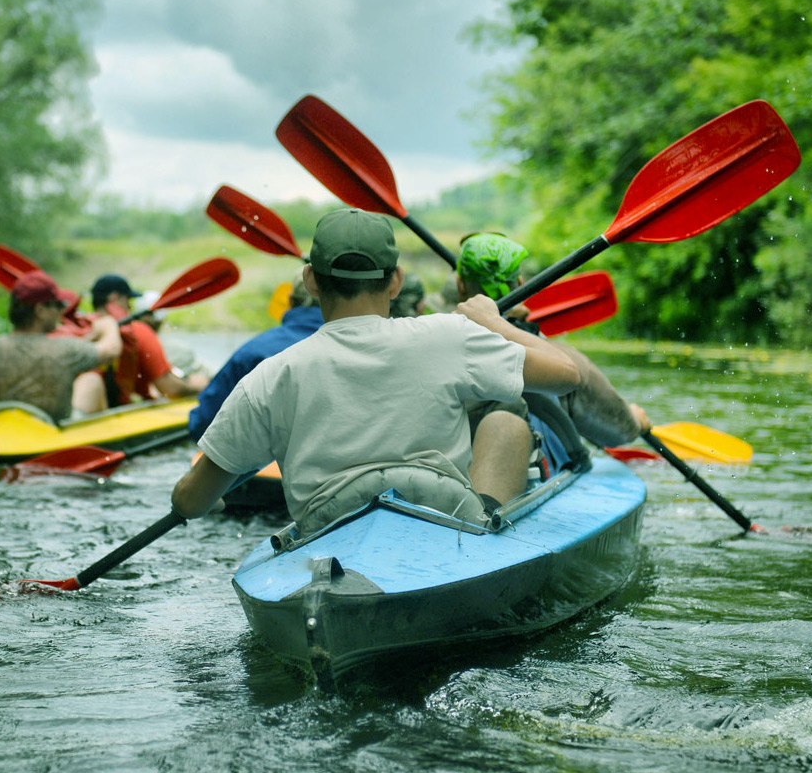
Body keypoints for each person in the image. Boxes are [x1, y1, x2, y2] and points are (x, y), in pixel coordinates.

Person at [171, 209, 581, 533]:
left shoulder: (272, 375)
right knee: (506, 420)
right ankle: (489, 526)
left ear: (311, 281)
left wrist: (207, 500)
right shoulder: (449, 335)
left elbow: (190, 501)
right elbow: (567, 374)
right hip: (445, 517)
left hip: (327, 530)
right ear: (396, 282)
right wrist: (495, 323)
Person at [455, 232, 652, 465]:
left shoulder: (429, 338)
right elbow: (616, 432)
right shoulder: (559, 362)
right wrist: (636, 422)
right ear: (520, 284)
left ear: (460, 286)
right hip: (527, 479)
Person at [0, 271, 122, 425]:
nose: (61, 311)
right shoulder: (67, 350)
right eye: (58, 305)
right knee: (92, 381)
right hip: (49, 444)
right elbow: (112, 350)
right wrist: (108, 323)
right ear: (40, 310)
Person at [187, 275, 323, 441]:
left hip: (263, 460)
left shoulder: (253, 351)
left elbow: (205, 422)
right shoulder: (357, 348)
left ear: (290, 301)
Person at [91, 274, 209, 406]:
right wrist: (200, 384)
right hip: (120, 415)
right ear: (115, 298)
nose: (130, 307)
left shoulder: (81, 329)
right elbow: (170, 389)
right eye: (128, 300)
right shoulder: (138, 331)